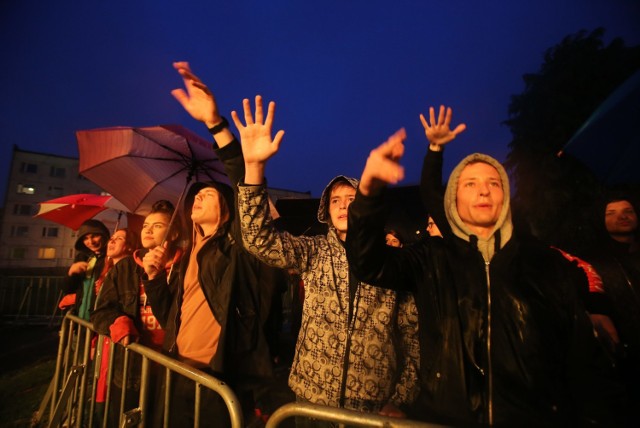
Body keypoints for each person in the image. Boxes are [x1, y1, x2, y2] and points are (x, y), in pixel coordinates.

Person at [344, 125, 626, 426]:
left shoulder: (543, 262)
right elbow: (367, 263)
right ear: (452, 199)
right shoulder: (434, 257)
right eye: (470, 184)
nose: (483, 190)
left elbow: (582, 363)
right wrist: (369, 194)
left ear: (505, 195)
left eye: (494, 182)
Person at [228, 95, 420, 424]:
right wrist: (255, 168)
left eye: (351, 199)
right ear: (327, 212)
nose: (344, 205)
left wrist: (400, 399)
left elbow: (411, 335)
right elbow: (260, 240)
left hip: (373, 411)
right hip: (312, 402)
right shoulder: (314, 251)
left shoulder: (392, 262)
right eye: (335, 201)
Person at [140, 62, 277, 427]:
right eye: (196, 194)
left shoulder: (235, 246)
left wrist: (216, 125)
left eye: (209, 194)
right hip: (179, 368)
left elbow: (244, 189)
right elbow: (172, 312)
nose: (199, 196)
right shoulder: (187, 256)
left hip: (220, 377)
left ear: (229, 213)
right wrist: (154, 277)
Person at [581, 194, 640, 409]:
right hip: (628, 357)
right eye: (611, 213)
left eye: (628, 211)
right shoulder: (591, 261)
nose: (622, 217)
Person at [90, 227, 140, 425]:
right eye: (111, 238)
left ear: (129, 247)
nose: (111, 242)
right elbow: (101, 310)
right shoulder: (106, 270)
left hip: (120, 344)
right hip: (108, 339)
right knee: (104, 386)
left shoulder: (131, 272)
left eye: (118, 239)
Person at [60, 219, 110, 321]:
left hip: (101, 320)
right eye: (86, 238)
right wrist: (71, 273)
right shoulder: (82, 257)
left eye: (94, 236)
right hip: (81, 317)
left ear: (104, 235)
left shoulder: (112, 258)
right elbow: (67, 289)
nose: (90, 242)